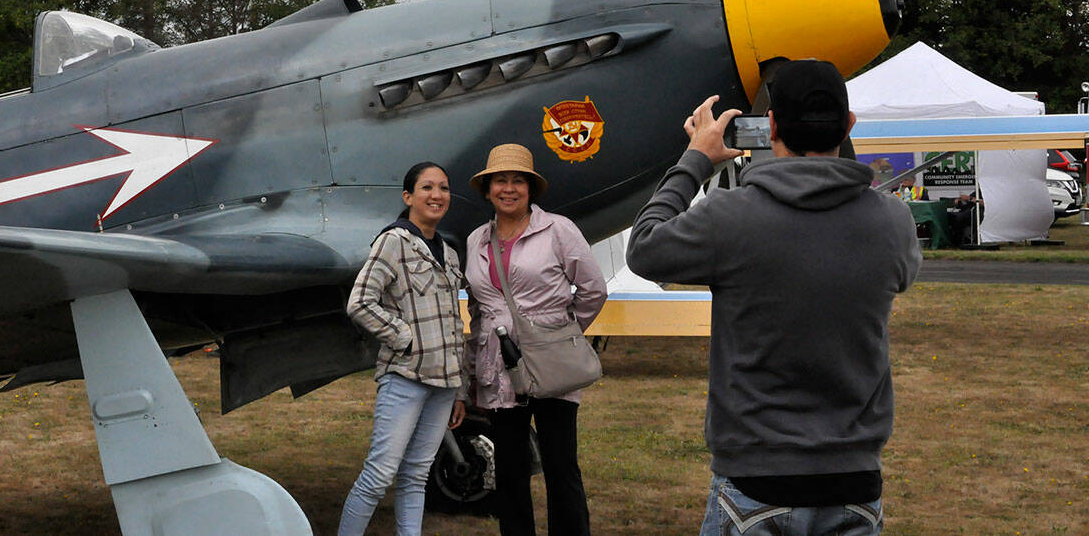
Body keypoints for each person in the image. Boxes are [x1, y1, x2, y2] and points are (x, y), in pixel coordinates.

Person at [626, 60, 921, 536]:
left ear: (771, 127)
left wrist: (695, 159)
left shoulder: (731, 216)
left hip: (755, 477)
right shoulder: (891, 222)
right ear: (848, 126)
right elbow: (900, 274)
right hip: (853, 477)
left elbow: (644, 247)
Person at [463, 143, 607, 536]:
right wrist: (473, 370)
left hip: (550, 364)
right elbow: (479, 309)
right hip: (498, 367)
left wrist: (562, 334)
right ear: (487, 188)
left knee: (561, 467)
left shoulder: (558, 229)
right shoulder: (476, 239)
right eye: (500, 181)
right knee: (509, 471)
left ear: (530, 189)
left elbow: (593, 290)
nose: (508, 189)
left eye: (517, 181)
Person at [340, 161, 469, 536]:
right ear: (408, 196)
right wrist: (404, 338)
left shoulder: (448, 252)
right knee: (378, 475)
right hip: (406, 379)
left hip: (444, 385)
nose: (437, 195)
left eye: (443, 188)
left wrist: (459, 387)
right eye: (427, 188)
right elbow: (360, 302)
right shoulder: (393, 241)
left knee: (416, 475)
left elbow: (452, 322)